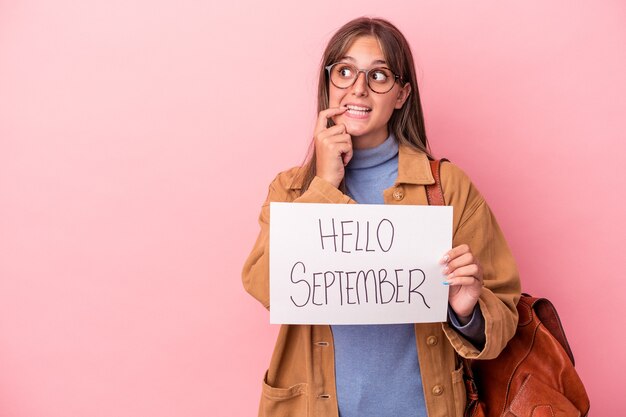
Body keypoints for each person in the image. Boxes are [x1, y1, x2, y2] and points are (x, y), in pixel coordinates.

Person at [242, 17, 521, 417]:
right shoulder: (291, 188)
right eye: (344, 71)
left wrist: (465, 312)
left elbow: (504, 315)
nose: (358, 88)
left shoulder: (446, 187)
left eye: (378, 75)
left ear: (402, 94)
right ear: (328, 84)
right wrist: (323, 183)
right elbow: (265, 287)